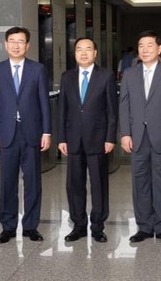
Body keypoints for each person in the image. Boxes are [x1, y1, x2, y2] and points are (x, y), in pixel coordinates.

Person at [0, 27, 51, 244]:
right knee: (7, 182)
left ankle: (31, 226)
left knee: (32, 181)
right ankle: (8, 226)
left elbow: (44, 103)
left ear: (28, 45)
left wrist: (46, 131)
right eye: (12, 41)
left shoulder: (37, 69)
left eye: (21, 41)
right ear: (6, 44)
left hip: (31, 133)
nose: (16, 45)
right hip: (6, 134)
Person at [119, 30, 161, 245]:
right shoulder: (130, 73)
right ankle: (144, 226)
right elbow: (124, 105)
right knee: (140, 182)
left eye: (149, 45)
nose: (145, 50)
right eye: (141, 46)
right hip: (137, 137)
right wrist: (125, 133)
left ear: (159, 49)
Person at [58, 37, 118, 243]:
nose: (83, 53)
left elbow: (112, 111)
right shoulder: (67, 77)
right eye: (79, 49)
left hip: (98, 139)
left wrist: (110, 137)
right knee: (74, 184)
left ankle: (98, 226)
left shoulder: (106, 76)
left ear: (95, 53)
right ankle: (79, 225)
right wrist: (61, 138)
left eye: (88, 49)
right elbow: (62, 109)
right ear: (74, 53)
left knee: (99, 184)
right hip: (73, 138)